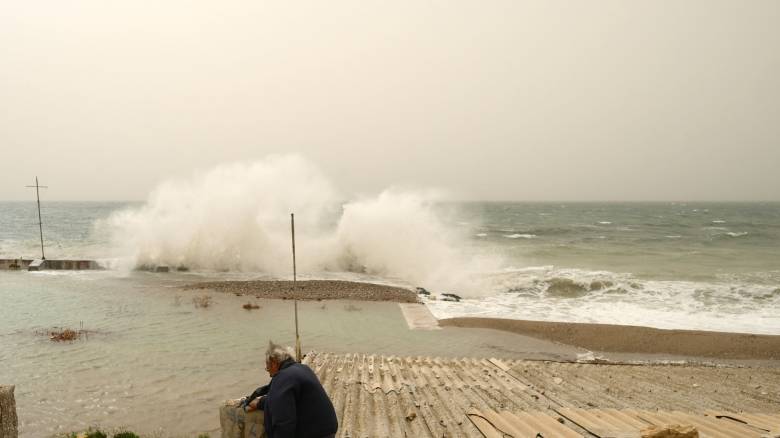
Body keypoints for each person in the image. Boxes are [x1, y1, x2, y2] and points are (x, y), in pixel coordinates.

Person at [243, 341, 338, 438]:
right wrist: (259, 403)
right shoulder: (301, 368)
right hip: (327, 429)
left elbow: (284, 422)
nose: (270, 374)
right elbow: (284, 400)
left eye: (268, 368)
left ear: (274, 363)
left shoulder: (283, 378)